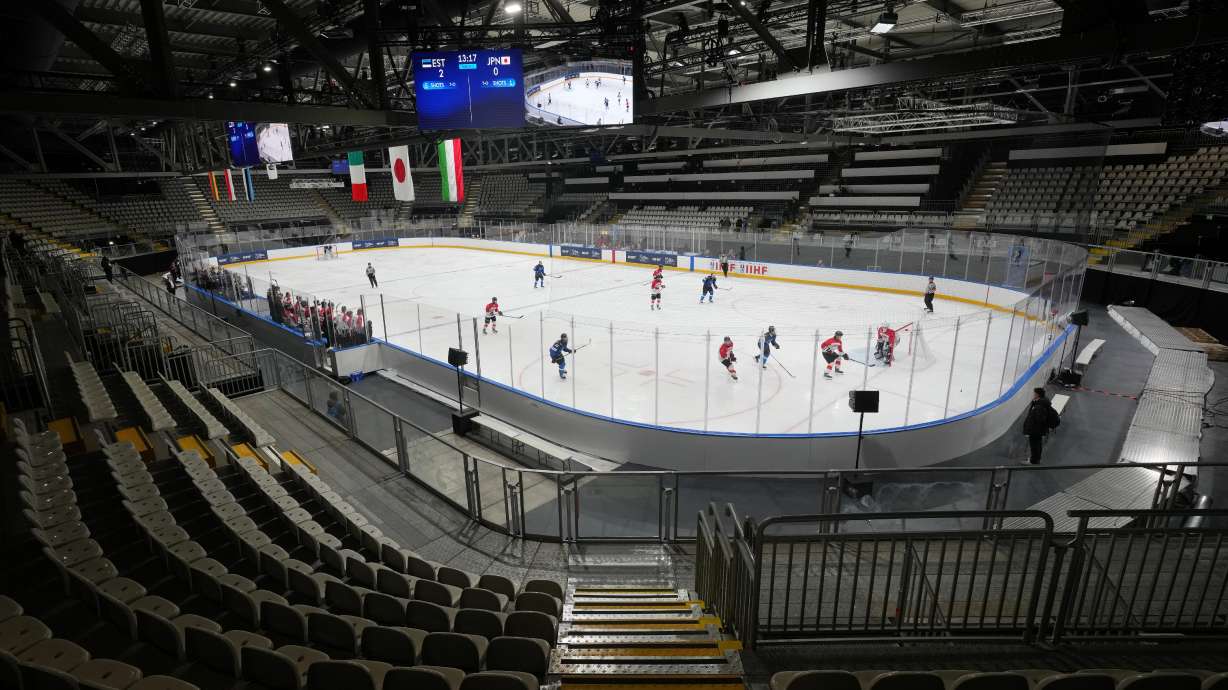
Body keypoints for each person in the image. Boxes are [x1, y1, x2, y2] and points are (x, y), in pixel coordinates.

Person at [1022, 387, 1060, 465]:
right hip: (1038, 430)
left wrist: (1032, 428)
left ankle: (1034, 461)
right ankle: (1036, 459)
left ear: (1037, 395)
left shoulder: (1040, 406)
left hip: (1036, 430)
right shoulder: (1040, 403)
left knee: (1035, 445)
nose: (1033, 395)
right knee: (1037, 444)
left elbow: (1040, 419)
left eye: (1034, 393)